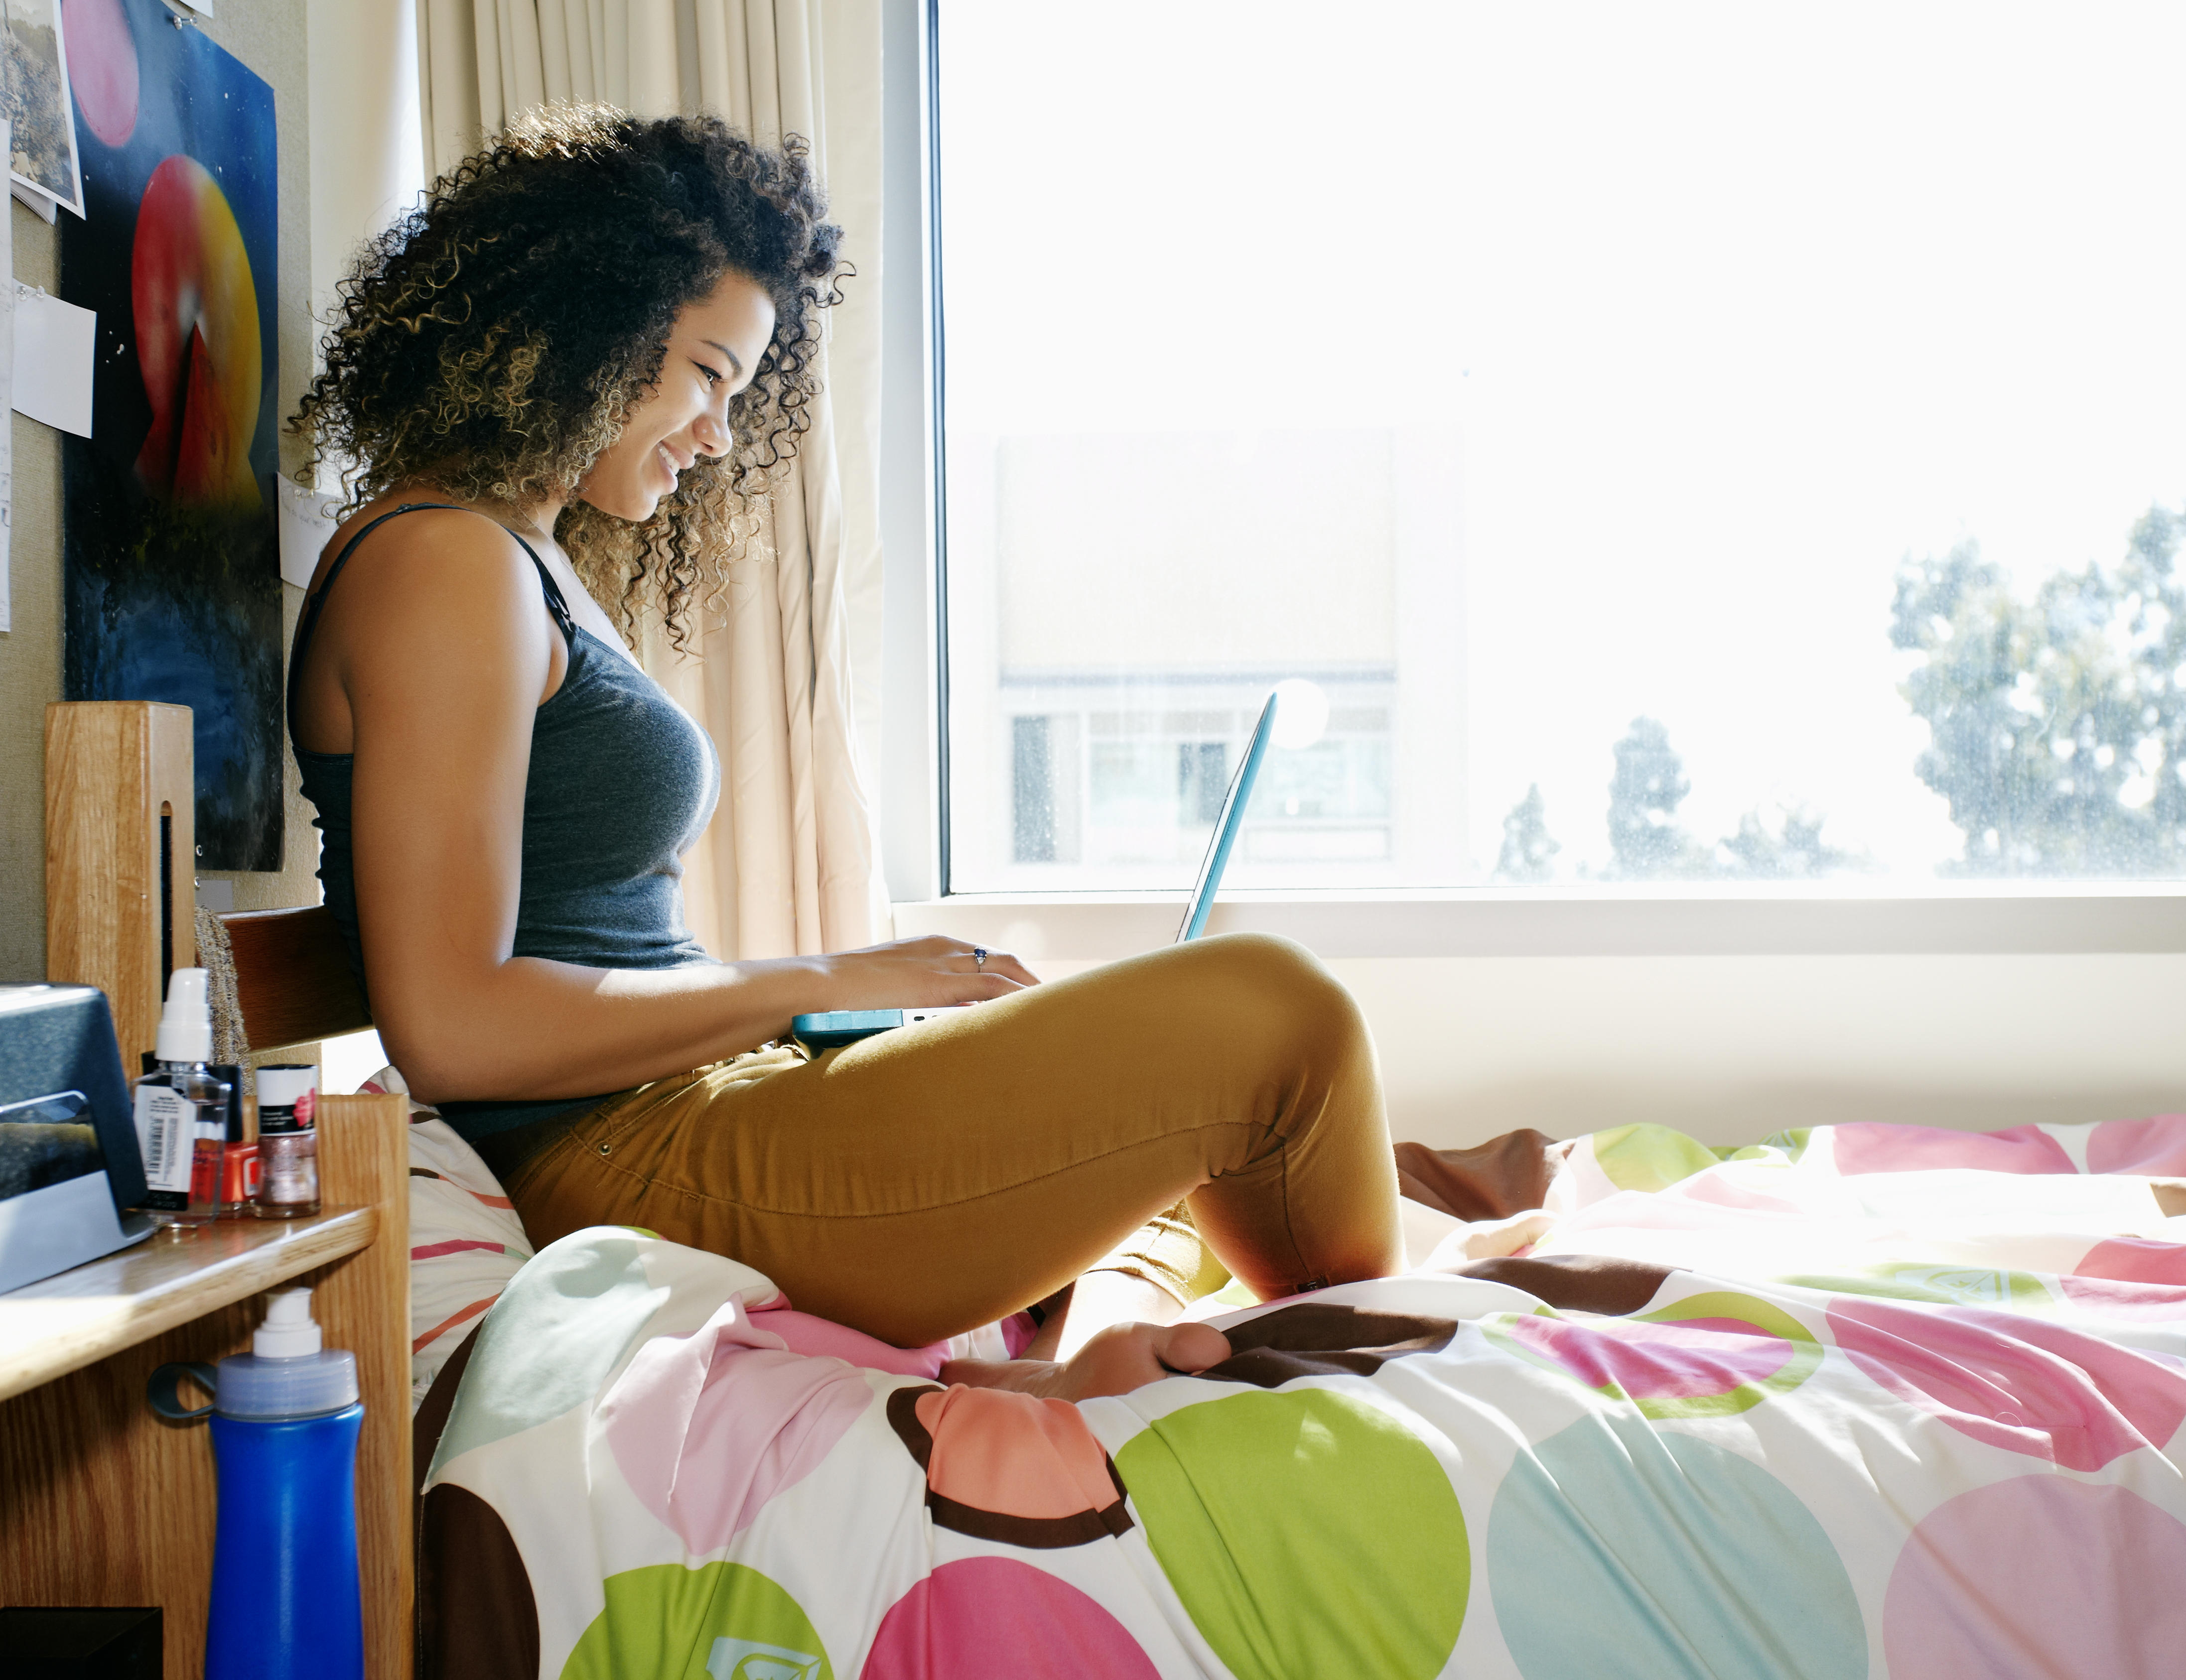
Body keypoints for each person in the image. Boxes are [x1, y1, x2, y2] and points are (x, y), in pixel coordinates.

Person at [285, 105, 1400, 1398]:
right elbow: (456, 1029)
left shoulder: (520, 556)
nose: (714, 433)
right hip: (636, 1152)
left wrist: (836, 1008)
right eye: (708, 373)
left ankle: (1093, 1360)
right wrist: (824, 972)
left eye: (735, 393)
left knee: (1156, 1117)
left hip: (703, 1101)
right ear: (581, 320)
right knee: (1275, 1011)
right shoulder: (440, 561)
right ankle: (1379, 1370)